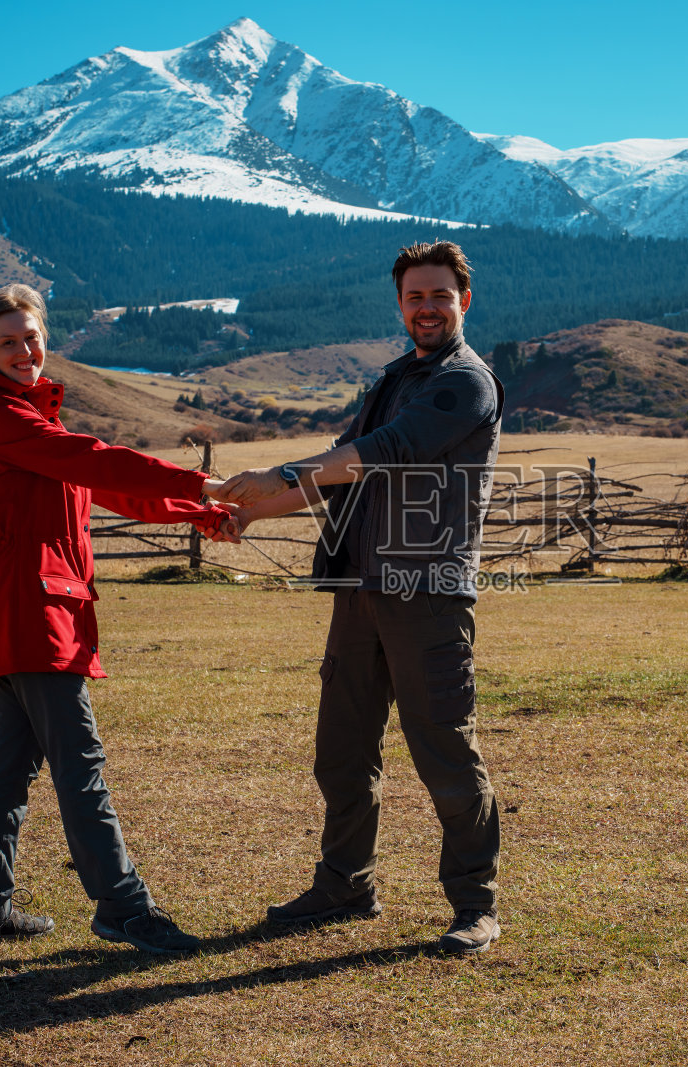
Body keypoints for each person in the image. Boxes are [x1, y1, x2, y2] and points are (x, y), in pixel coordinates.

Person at [219, 241, 505, 954]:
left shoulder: (466, 384)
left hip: (428, 594)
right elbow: (337, 471)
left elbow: (385, 451)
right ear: (400, 304)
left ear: (464, 301)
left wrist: (278, 471)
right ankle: (346, 884)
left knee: (445, 753)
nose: (427, 308)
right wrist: (251, 511)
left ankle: (476, 904)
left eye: (440, 296)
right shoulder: (392, 380)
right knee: (342, 751)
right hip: (360, 592)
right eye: (415, 297)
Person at [0, 284, 238, 955]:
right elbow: (95, 459)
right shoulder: (0, 415)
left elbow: (106, 485)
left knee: (9, 768)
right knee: (80, 764)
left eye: (32, 337)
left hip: (32, 607)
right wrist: (199, 482)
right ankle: (123, 907)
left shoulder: (28, 420)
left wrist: (203, 513)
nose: (24, 350)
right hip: (32, 610)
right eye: (8, 342)